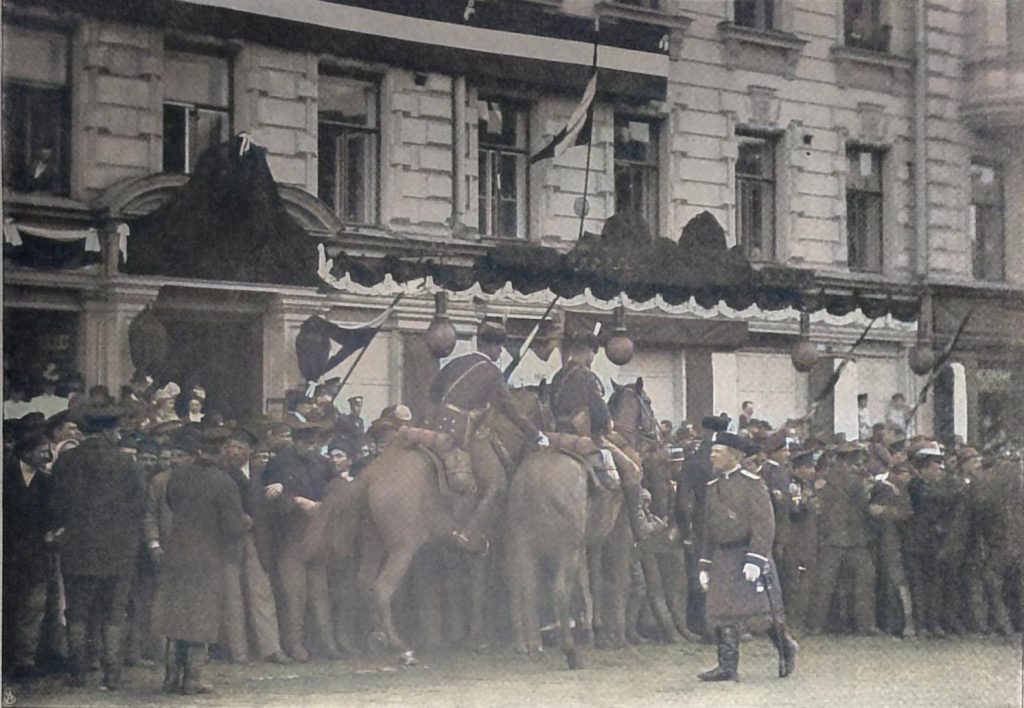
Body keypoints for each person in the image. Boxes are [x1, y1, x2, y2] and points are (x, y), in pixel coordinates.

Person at [429, 319, 548, 553]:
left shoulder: (455, 363)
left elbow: (433, 393)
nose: (500, 351)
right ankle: (467, 533)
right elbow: (511, 410)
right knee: (497, 485)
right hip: (462, 433)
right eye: (498, 347)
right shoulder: (491, 371)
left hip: (435, 428)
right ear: (492, 347)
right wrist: (536, 435)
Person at [50, 406, 145, 690]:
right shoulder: (125, 462)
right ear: (109, 430)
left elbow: (56, 505)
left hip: (78, 548)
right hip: (117, 550)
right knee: (114, 613)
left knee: (77, 612)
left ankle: (77, 673)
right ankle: (112, 676)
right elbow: (139, 506)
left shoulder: (66, 461)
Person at [151, 427, 248, 695]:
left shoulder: (178, 476)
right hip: (207, 555)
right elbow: (232, 525)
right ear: (221, 450)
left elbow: (171, 505)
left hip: (177, 551)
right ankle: (193, 678)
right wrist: (244, 523)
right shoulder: (224, 481)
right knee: (201, 616)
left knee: (176, 615)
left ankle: (171, 678)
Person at [696, 431, 797, 681]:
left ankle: (786, 649)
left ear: (734, 455)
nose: (712, 456)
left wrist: (756, 558)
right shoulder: (712, 487)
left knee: (761, 612)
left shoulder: (753, 483)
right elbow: (709, 529)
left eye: (718, 452)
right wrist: (705, 563)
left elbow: (764, 524)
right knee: (722, 610)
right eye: (712, 452)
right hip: (723, 556)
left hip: (747, 555)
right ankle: (727, 665)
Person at [549, 328, 661, 549]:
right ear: (589, 352)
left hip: (557, 434)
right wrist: (608, 423)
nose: (592, 359)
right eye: (593, 354)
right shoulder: (587, 376)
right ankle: (640, 525)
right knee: (631, 469)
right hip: (584, 436)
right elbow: (599, 415)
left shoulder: (558, 375)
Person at [262, 422, 342, 662]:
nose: (310, 447)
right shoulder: (277, 464)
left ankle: (327, 644)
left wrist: (322, 506)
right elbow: (269, 496)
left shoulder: (323, 464)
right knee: (294, 593)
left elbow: (336, 490)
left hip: (316, 532)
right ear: (295, 442)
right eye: (306, 443)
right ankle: (295, 645)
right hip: (290, 534)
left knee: (319, 593)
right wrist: (296, 501)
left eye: (314, 443)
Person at [218, 427, 291, 665]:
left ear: (250, 451)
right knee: (232, 596)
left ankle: (271, 648)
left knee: (261, 591)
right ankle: (238, 652)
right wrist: (236, 515)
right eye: (232, 446)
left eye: (241, 448)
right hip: (227, 538)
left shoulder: (262, 473)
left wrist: (279, 488)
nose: (235, 452)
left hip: (256, 539)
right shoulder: (220, 472)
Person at [805, 442, 880, 635]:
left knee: (827, 583)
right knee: (860, 580)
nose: (859, 464)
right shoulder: (854, 481)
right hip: (848, 537)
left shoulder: (825, 479)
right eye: (856, 460)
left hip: (838, 537)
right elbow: (864, 504)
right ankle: (865, 624)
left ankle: (817, 624)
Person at [3, 434, 55, 679]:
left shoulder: (46, 482)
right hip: (7, 552)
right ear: (26, 453)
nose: (48, 456)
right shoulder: (5, 476)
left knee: (33, 607)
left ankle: (25, 660)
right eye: (43, 451)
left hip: (35, 555)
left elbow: (54, 516)